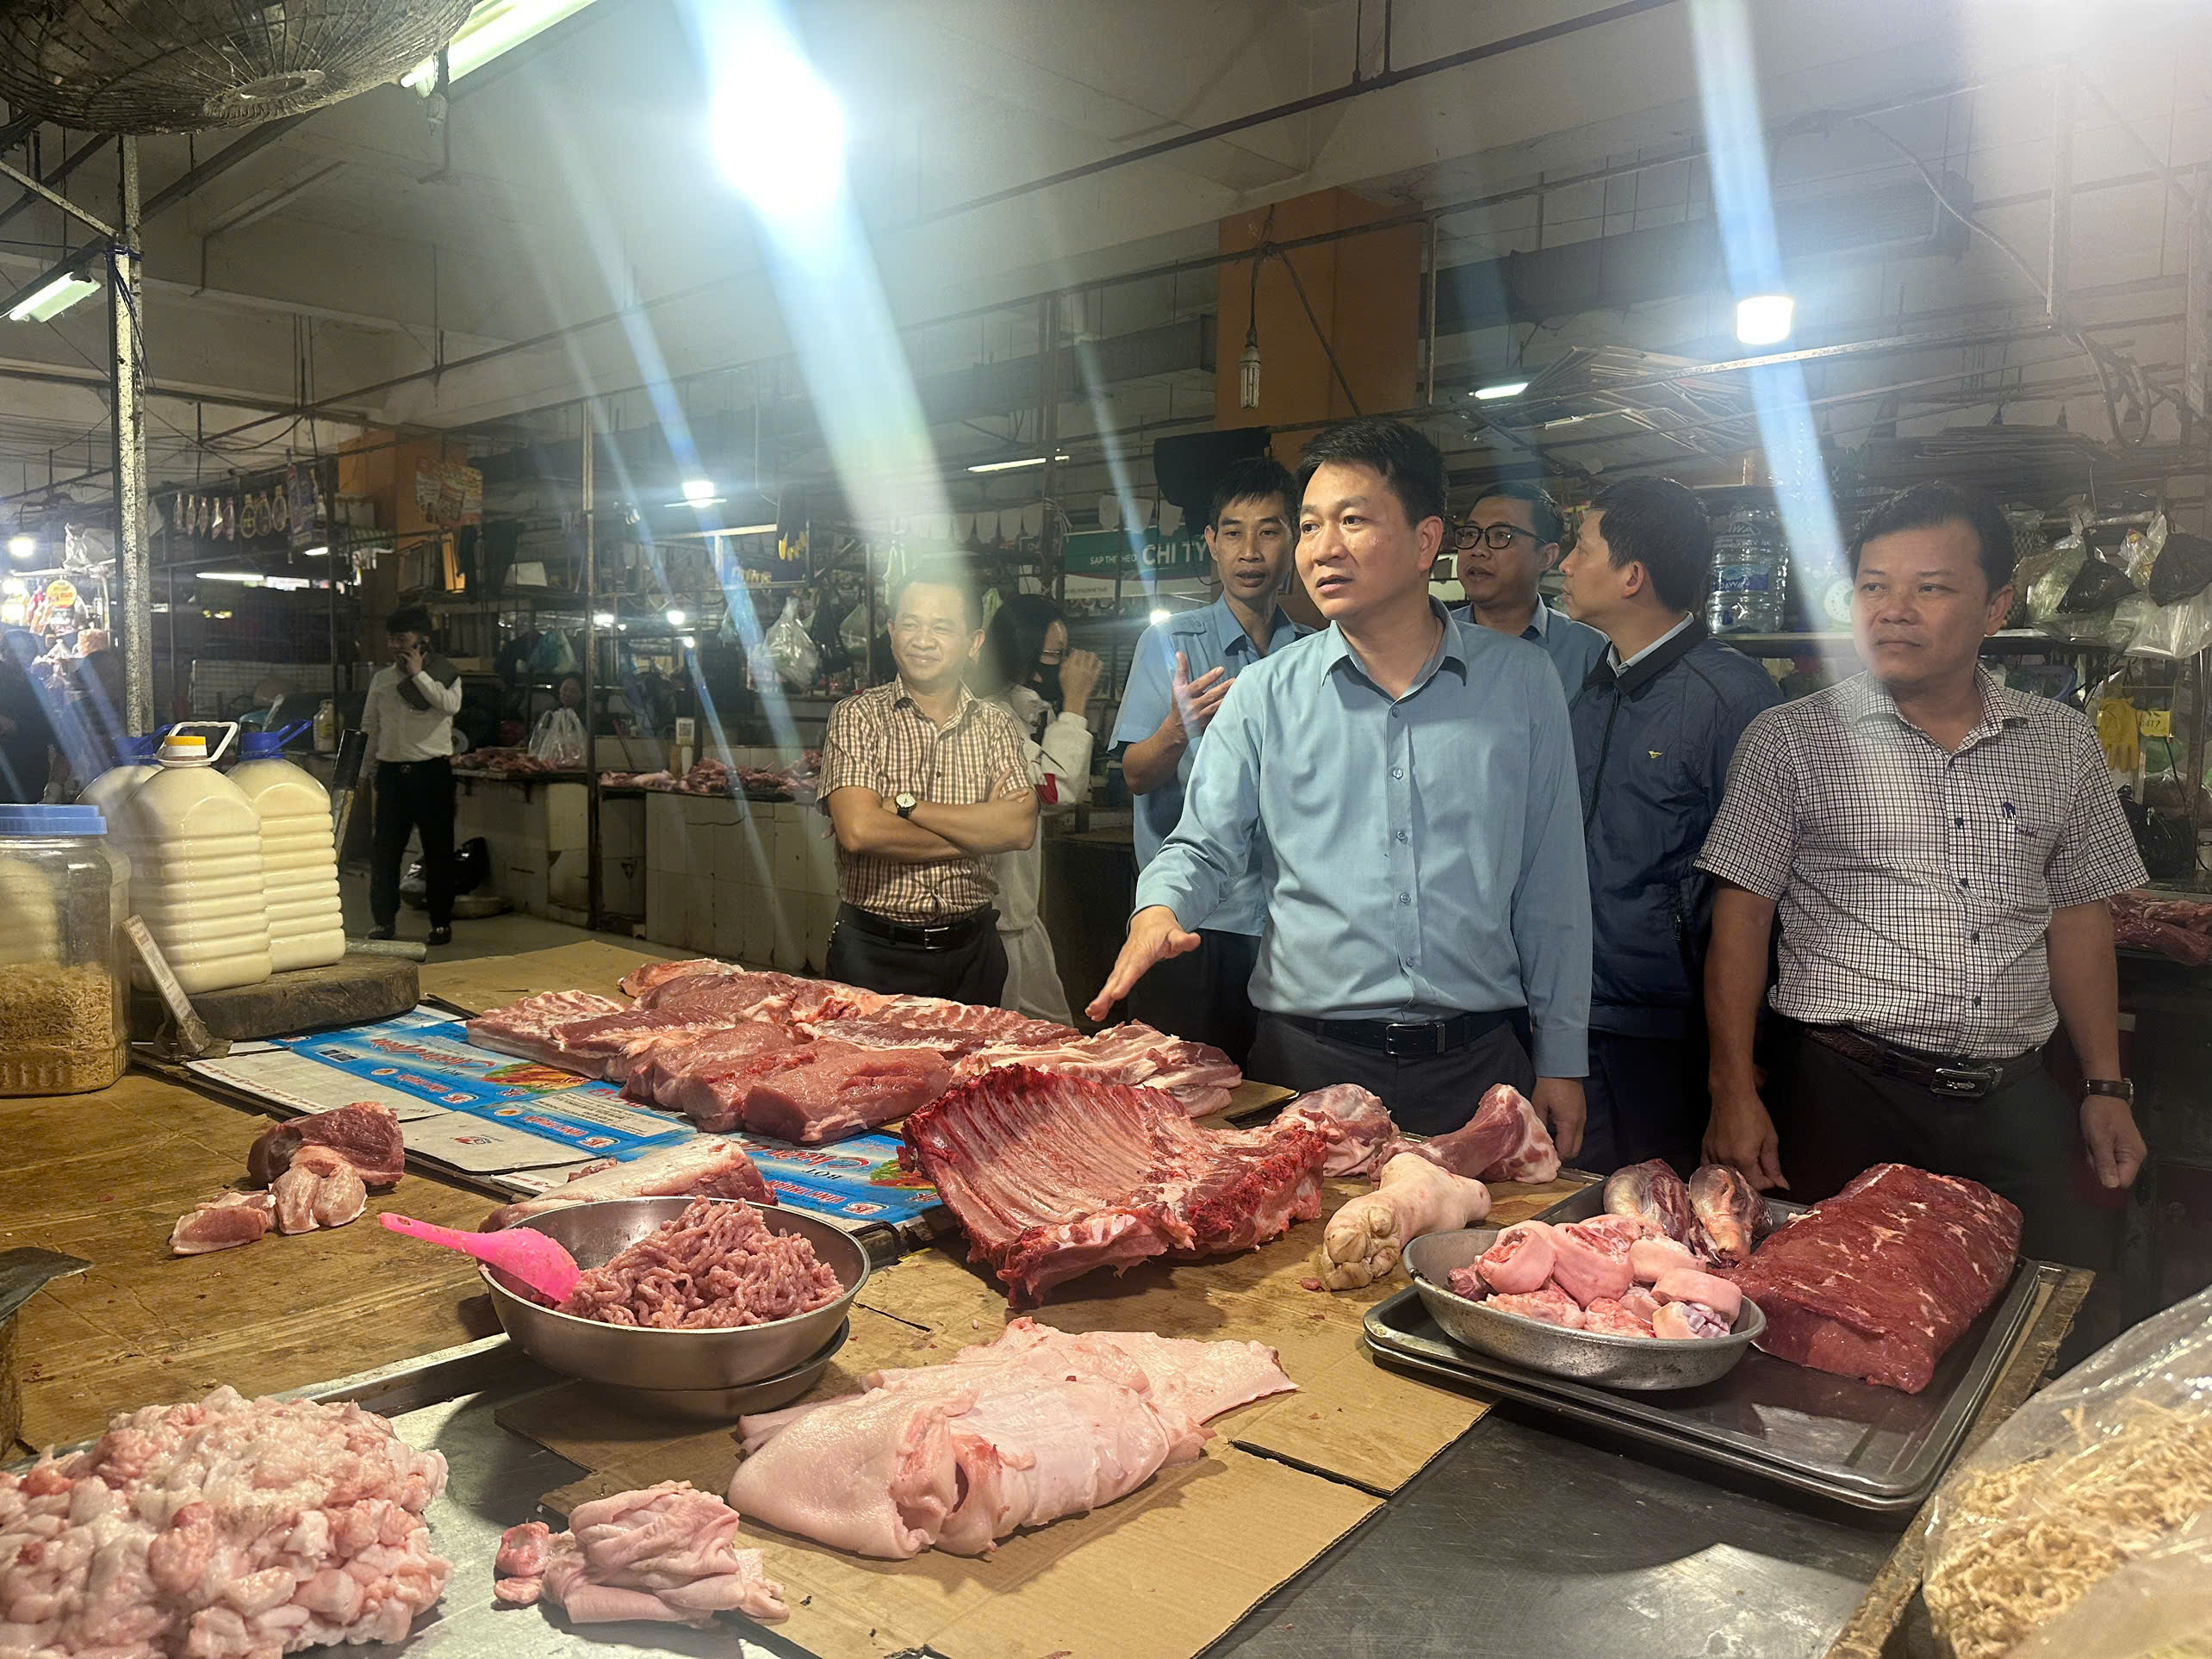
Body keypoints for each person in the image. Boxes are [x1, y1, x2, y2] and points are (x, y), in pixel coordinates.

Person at [1090, 418, 1591, 1146]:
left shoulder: (1520, 682)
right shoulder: (1264, 693)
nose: (1322, 548)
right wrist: (1159, 908)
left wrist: (1563, 1059)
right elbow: (1202, 845)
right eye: (1310, 526)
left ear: (1425, 541)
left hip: (1478, 1068)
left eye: (1352, 521)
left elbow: (1553, 882)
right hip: (1306, 1067)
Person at [1697, 481, 2148, 1271]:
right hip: (1843, 1093)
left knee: (2035, 1303)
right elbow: (1742, 917)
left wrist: (2105, 1088)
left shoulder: (2062, 743)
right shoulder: (1789, 739)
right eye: (1873, 587)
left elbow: (2079, 918)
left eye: (1929, 589)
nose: (1893, 611)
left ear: (1996, 607)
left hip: (2014, 1100)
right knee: (1832, 1309)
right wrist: (1732, 1091)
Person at [1556, 476, 1780, 1173]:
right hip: (1583, 1016)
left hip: (1672, 1033)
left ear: (1632, 576)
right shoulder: (1593, 686)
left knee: (1670, 1220)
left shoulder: (1732, 698)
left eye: (1581, 547)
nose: (1564, 563)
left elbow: (1767, 893)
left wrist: (1743, 1068)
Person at [1109, 455, 1303, 1066]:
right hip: (1193, 925)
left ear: (1295, 541)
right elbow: (1134, 775)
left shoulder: (1310, 655)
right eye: (1234, 532)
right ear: (1211, 544)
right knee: (1179, 1096)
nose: (1251, 551)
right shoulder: (1170, 642)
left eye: (1269, 531)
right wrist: (1176, 728)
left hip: (1287, 930)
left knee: (1278, 1100)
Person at [819, 567, 1036, 1003]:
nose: (923, 640)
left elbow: (1019, 829)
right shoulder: (857, 717)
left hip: (974, 955)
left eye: (941, 627)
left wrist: (907, 807)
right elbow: (860, 831)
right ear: (891, 632)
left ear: (973, 643)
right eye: (911, 624)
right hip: (874, 953)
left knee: (975, 1054)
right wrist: (980, 833)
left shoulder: (997, 725)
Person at [972, 594, 1103, 1023]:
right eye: (1053, 657)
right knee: (1005, 1039)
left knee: (1053, 1030)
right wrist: (1076, 704)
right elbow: (1053, 790)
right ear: (1022, 655)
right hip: (998, 919)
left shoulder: (1019, 713)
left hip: (1020, 916)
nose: (1062, 668)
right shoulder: (991, 718)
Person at [363, 604, 463, 948]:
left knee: (438, 851)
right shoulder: (382, 680)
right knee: (385, 851)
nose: (394, 645)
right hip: (392, 775)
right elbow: (370, 726)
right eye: (391, 639)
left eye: (401, 638)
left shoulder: (445, 674)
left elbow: (450, 706)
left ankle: (441, 924)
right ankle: (383, 921)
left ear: (422, 640)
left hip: (432, 774)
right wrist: (366, 769)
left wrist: (419, 675)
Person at [1455, 480, 1607, 692]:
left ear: (1545, 557)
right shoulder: (1434, 638)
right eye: (1471, 534)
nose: (1477, 550)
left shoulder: (1586, 649)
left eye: (1501, 536)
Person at [0, 630, 55, 805]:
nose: (20, 656)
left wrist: (15, 726)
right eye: (13, 650)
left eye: (26, 651)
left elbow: (47, 728)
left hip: (31, 766)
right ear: (4, 652)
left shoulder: (36, 685)